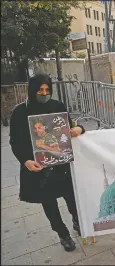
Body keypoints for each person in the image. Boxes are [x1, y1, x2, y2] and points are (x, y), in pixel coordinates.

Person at [9, 73, 85, 252]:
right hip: (38, 168)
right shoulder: (20, 112)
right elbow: (15, 142)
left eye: (47, 90)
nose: (44, 93)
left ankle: (77, 220)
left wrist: (78, 129)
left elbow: (71, 126)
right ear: (32, 90)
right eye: (40, 90)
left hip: (61, 165)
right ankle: (63, 234)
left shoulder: (57, 106)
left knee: (71, 196)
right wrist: (26, 161)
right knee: (49, 203)